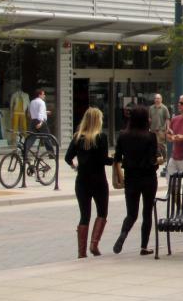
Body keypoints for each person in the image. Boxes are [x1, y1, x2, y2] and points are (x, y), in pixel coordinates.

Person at [64, 107, 111, 258]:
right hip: (98, 180)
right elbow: (104, 160)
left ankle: (81, 252)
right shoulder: (101, 137)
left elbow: (67, 157)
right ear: (98, 120)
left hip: (82, 181)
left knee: (84, 215)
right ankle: (94, 244)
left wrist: (75, 167)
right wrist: (117, 160)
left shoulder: (77, 137)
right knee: (102, 212)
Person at [113, 105, 159, 255]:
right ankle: (144, 247)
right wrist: (158, 161)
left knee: (131, 213)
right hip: (148, 177)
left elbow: (117, 157)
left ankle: (124, 233)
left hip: (131, 178)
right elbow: (153, 159)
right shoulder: (150, 136)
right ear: (146, 119)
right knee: (147, 212)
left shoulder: (123, 135)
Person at [27, 89, 55, 154]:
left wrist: (45, 112)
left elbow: (34, 112)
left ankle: (25, 153)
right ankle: (51, 154)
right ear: (39, 95)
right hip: (40, 121)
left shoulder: (32, 102)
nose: (44, 95)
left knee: (31, 138)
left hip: (33, 121)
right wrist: (41, 122)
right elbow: (40, 114)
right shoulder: (42, 102)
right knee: (47, 137)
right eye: (43, 94)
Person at [148, 94, 170, 171]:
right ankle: (157, 159)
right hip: (153, 129)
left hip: (161, 130)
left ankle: (165, 158)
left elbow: (167, 119)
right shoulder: (151, 108)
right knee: (154, 145)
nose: (157, 100)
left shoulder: (164, 108)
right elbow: (149, 119)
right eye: (156, 98)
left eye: (158, 98)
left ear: (161, 99)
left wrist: (168, 128)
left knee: (161, 145)